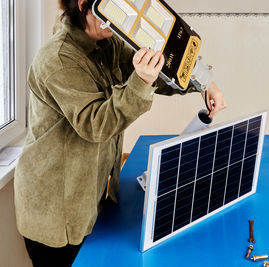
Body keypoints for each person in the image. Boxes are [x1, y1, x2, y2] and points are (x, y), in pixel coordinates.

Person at [14, 0, 226, 266]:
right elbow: (96, 124)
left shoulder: (107, 44)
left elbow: (157, 71)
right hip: (57, 211)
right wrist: (142, 81)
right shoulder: (57, 59)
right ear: (85, 5)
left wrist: (204, 83)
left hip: (93, 195)